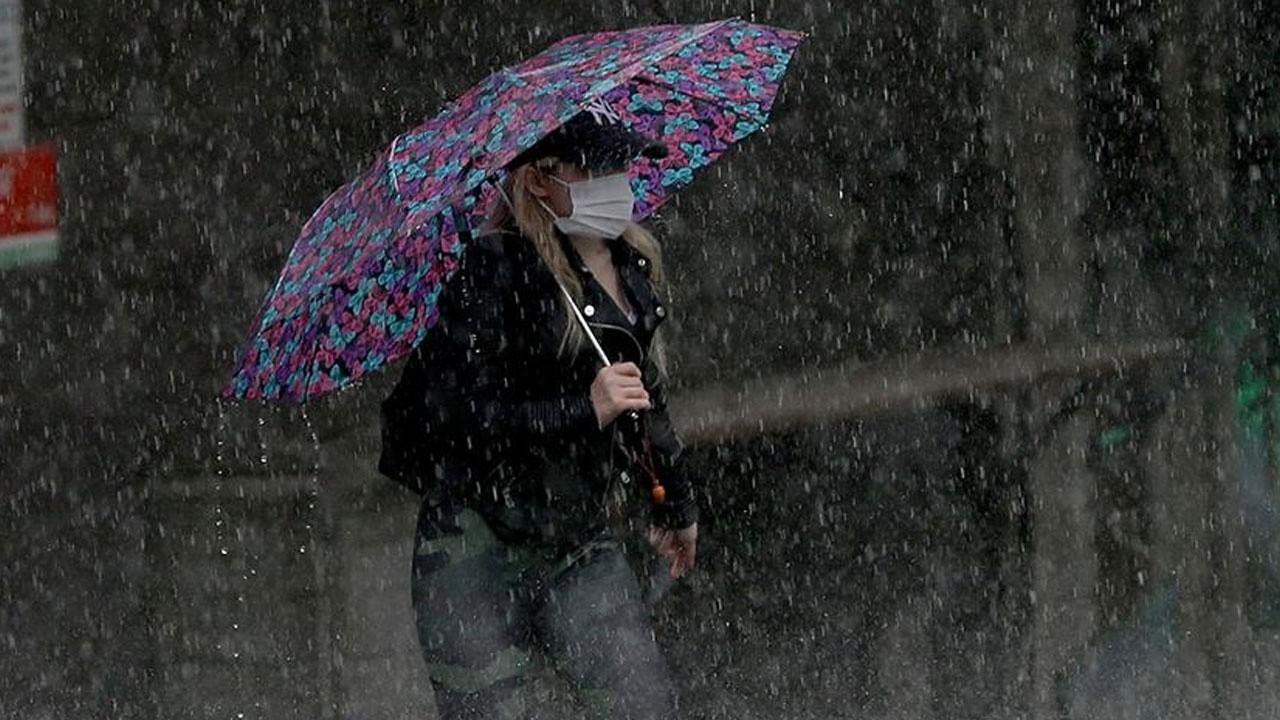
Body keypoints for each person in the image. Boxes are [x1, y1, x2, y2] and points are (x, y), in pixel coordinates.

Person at [378, 99, 699, 720]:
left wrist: (676, 503)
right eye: (594, 170)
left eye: (623, 166)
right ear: (538, 180)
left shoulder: (631, 268)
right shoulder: (491, 272)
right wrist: (580, 408)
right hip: (472, 542)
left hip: (576, 537)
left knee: (643, 705)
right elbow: (462, 417)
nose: (617, 185)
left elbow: (644, 398)